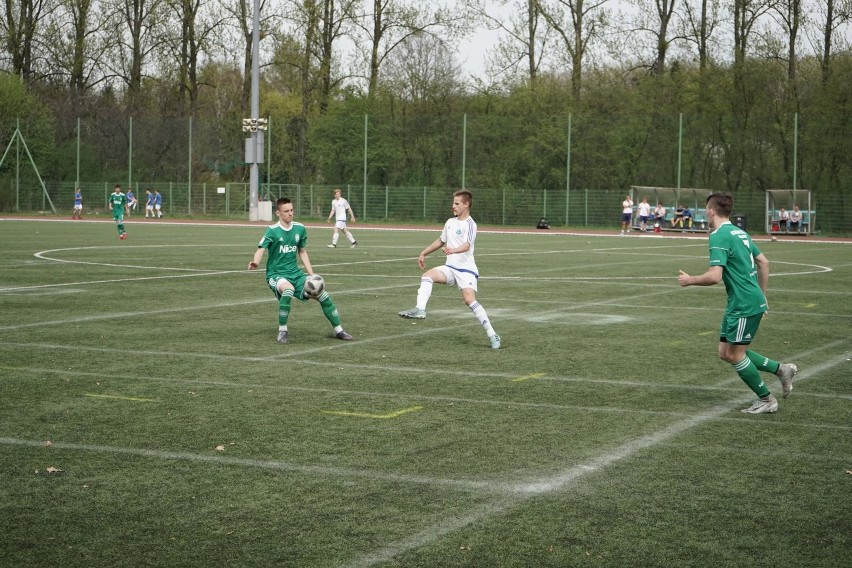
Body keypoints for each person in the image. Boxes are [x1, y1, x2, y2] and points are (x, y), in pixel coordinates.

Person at [677, 192, 797, 414]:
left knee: (735, 354)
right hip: (744, 301)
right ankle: (782, 370)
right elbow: (764, 262)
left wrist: (689, 280)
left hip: (743, 303)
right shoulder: (740, 232)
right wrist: (762, 295)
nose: (706, 214)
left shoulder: (719, 235)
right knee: (726, 352)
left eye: (706, 210)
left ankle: (767, 399)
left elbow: (715, 276)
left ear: (711, 211)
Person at [398, 190, 501, 350]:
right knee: (427, 276)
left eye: (457, 203)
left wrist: (453, 250)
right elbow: (441, 240)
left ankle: (492, 334)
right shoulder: (450, 222)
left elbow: (467, 245)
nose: (453, 206)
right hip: (450, 268)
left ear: (466, 204)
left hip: (466, 270)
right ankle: (420, 309)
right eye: (453, 203)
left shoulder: (470, 224)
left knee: (469, 300)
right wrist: (423, 252)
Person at [248, 197, 353, 344]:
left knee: (323, 295)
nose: (290, 213)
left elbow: (302, 251)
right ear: (278, 213)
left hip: (296, 274)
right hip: (276, 274)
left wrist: (311, 274)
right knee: (288, 290)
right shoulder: (272, 231)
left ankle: (339, 330)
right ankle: (283, 330)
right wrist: (255, 262)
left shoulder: (300, 228)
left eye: (291, 210)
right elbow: (261, 249)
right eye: (286, 211)